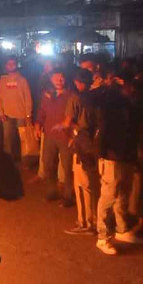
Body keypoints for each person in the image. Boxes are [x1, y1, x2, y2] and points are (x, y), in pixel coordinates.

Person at [94, 72, 143, 255]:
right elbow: (100, 119)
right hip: (112, 156)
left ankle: (122, 229)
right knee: (109, 195)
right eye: (128, 84)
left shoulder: (131, 103)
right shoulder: (110, 101)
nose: (132, 88)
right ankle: (103, 236)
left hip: (126, 155)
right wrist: (106, 86)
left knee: (123, 193)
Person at [63, 69, 100, 235]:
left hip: (81, 143)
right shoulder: (98, 98)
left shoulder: (75, 98)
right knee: (94, 183)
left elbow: (67, 123)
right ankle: (97, 219)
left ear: (77, 82)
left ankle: (86, 223)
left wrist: (68, 134)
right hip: (96, 143)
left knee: (82, 183)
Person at [35, 70, 74, 206]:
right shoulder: (47, 94)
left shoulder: (71, 95)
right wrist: (38, 123)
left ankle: (69, 196)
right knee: (48, 164)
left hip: (65, 136)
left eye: (62, 78)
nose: (59, 81)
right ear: (51, 79)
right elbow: (42, 111)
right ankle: (52, 191)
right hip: (50, 135)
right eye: (56, 78)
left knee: (68, 167)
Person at [0, 56, 33, 165]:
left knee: (23, 139)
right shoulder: (2, 80)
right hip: (7, 114)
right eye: (9, 63)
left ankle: (25, 161)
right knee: (8, 139)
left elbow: (28, 98)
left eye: (13, 63)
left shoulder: (22, 80)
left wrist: (28, 115)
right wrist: (0, 113)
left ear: (17, 65)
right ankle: (9, 161)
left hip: (21, 115)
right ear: (5, 66)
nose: (11, 65)